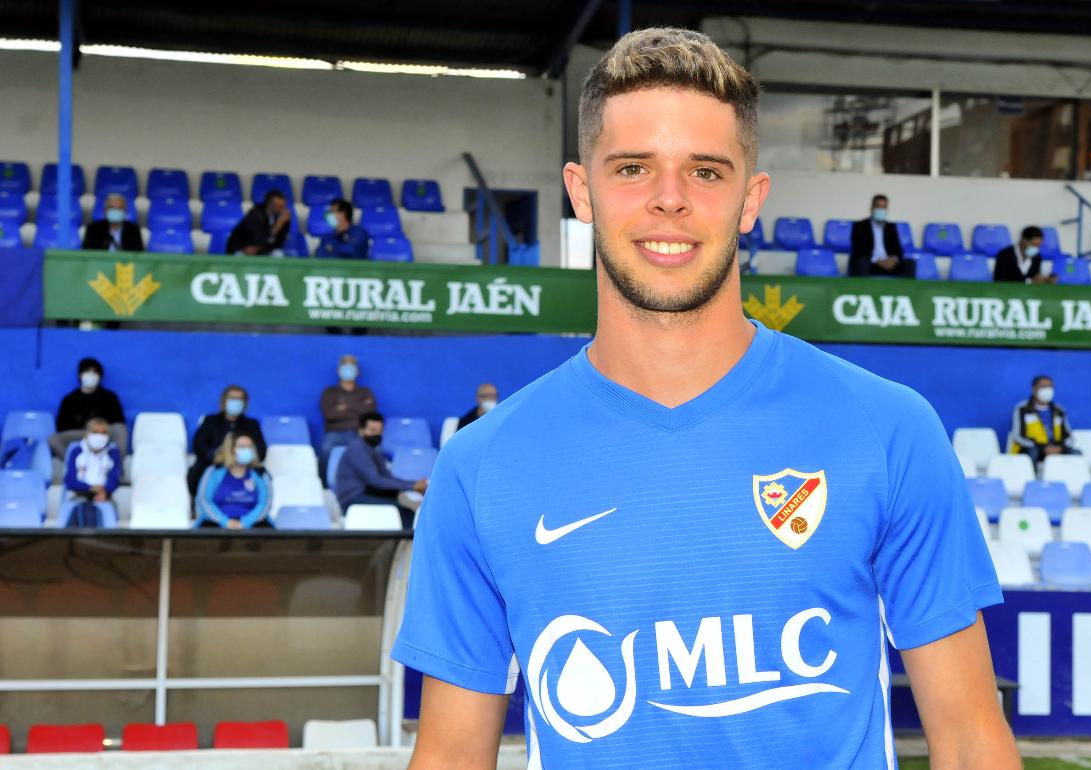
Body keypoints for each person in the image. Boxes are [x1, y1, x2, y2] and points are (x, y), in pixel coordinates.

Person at [394, 28, 1019, 770]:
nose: (670, 200)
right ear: (581, 192)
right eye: (633, 169)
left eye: (705, 172)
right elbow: (450, 755)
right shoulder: (480, 467)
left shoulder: (888, 430)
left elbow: (971, 741)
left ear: (751, 200)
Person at [335, 412, 426, 528]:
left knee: (406, 504)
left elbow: (387, 477)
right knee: (401, 510)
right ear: (361, 430)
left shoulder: (373, 450)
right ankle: (406, 539)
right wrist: (412, 486)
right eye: (373, 430)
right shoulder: (357, 450)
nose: (377, 435)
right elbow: (375, 480)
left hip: (368, 494)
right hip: (353, 499)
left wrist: (414, 484)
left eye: (379, 431)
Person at [188, 385, 267, 493]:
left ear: (245, 403)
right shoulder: (210, 421)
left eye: (240, 399)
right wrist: (216, 457)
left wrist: (243, 458)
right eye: (232, 398)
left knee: (262, 475)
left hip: (244, 466)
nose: (236, 402)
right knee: (197, 472)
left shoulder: (252, 425)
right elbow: (199, 445)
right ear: (224, 401)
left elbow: (261, 451)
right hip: (213, 463)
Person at [49, 357, 128, 460]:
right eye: (87, 371)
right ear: (79, 374)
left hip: (102, 433)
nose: (91, 375)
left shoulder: (110, 397)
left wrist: (98, 429)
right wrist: (87, 430)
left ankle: (115, 465)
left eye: (95, 372)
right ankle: (74, 464)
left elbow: (118, 421)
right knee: (53, 439)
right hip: (80, 434)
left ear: (100, 376)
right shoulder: (70, 399)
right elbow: (62, 427)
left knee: (121, 429)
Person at [193, 434, 273, 529]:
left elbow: (265, 503)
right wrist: (225, 522)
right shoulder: (213, 472)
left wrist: (245, 523)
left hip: (252, 524)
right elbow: (204, 500)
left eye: (250, 447)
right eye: (242, 447)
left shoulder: (261, 474)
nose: (247, 450)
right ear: (230, 450)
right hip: (217, 523)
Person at [60, 417, 121, 527]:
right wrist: (92, 488)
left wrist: (105, 491)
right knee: (77, 510)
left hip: (105, 496)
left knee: (108, 511)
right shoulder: (76, 451)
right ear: (87, 433)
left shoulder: (113, 452)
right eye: (95, 432)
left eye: (103, 433)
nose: (99, 436)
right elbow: (70, 481)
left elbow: (114, 479)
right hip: (79, 494)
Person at [320, 354, 378, 467]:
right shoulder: (329, 392)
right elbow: (329, 415)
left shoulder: (365, 392)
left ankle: (374, 478)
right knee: (325, 448)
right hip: (336, 433)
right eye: (345, 365)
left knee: (376, 449)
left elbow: (370, 414)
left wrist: (344, 407)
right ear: (338, 370)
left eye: (351, 366)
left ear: (357, 371)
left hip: (360, 433)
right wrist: (358, 409)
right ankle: (323, 479)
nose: (348, 369)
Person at [1007, 375, 1077, 467]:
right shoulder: (1022, 409)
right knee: (1032, 452)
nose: (1047, 390)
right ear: (1033, 389)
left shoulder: (1059, 410)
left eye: (1050, 387)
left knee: (1076, 454)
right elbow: (1018, 436)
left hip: (1055, 449)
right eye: (1043, 386)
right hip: (1032, 448)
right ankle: (1029, 476)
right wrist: (1042, 447)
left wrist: (1060, 447)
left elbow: (1069, 437)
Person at [849, 194, 917, 278]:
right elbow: (859, 249)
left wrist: (892, 260)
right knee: (862, 262)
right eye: (878, 207)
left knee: (910, 264)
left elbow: (898, 250)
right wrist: (877, 260)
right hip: (870, 263)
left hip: (889, 264)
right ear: (872, 208)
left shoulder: (891, 227)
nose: (881, 210)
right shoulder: (860, 226)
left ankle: (905, 287)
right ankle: (862, 287)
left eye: (884, 207)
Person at [225, 189, 291, 256]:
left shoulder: (282, 217)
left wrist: (281, 224)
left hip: (265, 249)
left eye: (283, 206)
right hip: (243, 247)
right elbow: (257, 240)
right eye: (279, 207)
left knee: (278, 254)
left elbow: (280, 241)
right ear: (270, 204)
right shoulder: (255, 215)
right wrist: (277, 226)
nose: (282, 210)